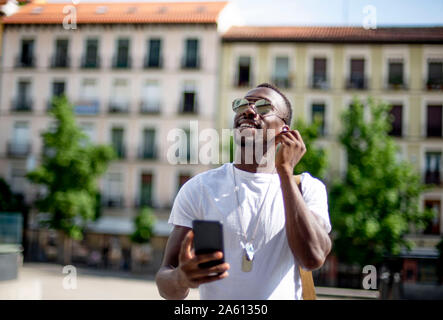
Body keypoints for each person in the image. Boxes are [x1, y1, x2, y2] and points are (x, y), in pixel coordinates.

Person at [155, 83, 332, 300]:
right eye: (241, 106)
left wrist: (285, 171)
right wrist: (181, 278)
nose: (248, 111)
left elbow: (312, 258)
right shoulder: (199, 188)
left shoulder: (306, 188)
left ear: (284, 130)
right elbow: (165, 280)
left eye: (263, 107)